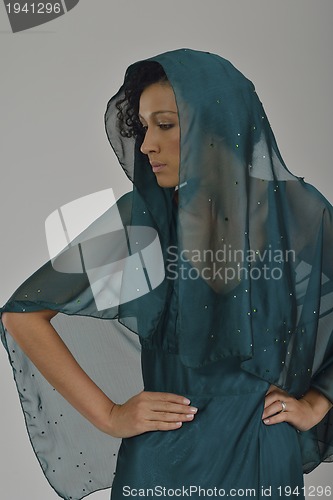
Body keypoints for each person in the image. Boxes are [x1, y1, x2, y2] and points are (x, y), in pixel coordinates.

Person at [1, 48, 333, 500]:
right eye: (142, 127)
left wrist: (318, 402)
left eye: (166, 124)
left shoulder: (297, 216)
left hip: (260, 452)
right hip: (162, 457)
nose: (146, 145)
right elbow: (22, 316)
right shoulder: (140, 223)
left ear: (217, 125)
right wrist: (110, 415)